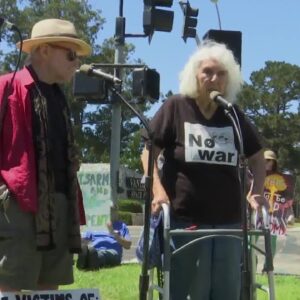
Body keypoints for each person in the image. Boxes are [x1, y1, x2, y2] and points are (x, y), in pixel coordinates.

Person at [141, 41, 267, 300]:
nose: (214, 79)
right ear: (194, 76)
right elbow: (148, 150)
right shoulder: (176, 106)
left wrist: (256, 192)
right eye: (207, 72)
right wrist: (158, 191)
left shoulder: (233, 115)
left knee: (226, 290)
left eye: (221, 74)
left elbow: (257, 156)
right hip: (185, 218)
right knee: (185, 289)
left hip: (229, 221)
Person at [0, 19, 91, 291]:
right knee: (10, 286)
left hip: (60, 205)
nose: (76, 63)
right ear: (44, 50)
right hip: (18, 205)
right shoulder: (8, 87)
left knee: (49, 288)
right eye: (71, 54)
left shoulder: (59, 98)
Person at [257, 150, 295, 273]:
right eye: (266, 160)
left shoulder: (282, 179)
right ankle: (249, 263)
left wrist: (290, 214)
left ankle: (268, 266)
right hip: (257, 213)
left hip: (274, 215)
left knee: (271, 240)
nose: (268, 163)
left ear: (274, 163)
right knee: (251, 239)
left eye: (270, 161)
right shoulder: (255, 175)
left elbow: (286, 199)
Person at [76, 205, 132, 269]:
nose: (109, 212)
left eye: (112, 210)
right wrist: (78, 233)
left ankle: (89, 260)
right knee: (88, 250)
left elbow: (128, 245)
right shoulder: (95, 225)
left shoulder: (121, 226)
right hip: (94, 250)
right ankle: (88, 260)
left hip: (112, 251)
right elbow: (83, 242)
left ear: (116, 212)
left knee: (102, 253)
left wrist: (113, 232)